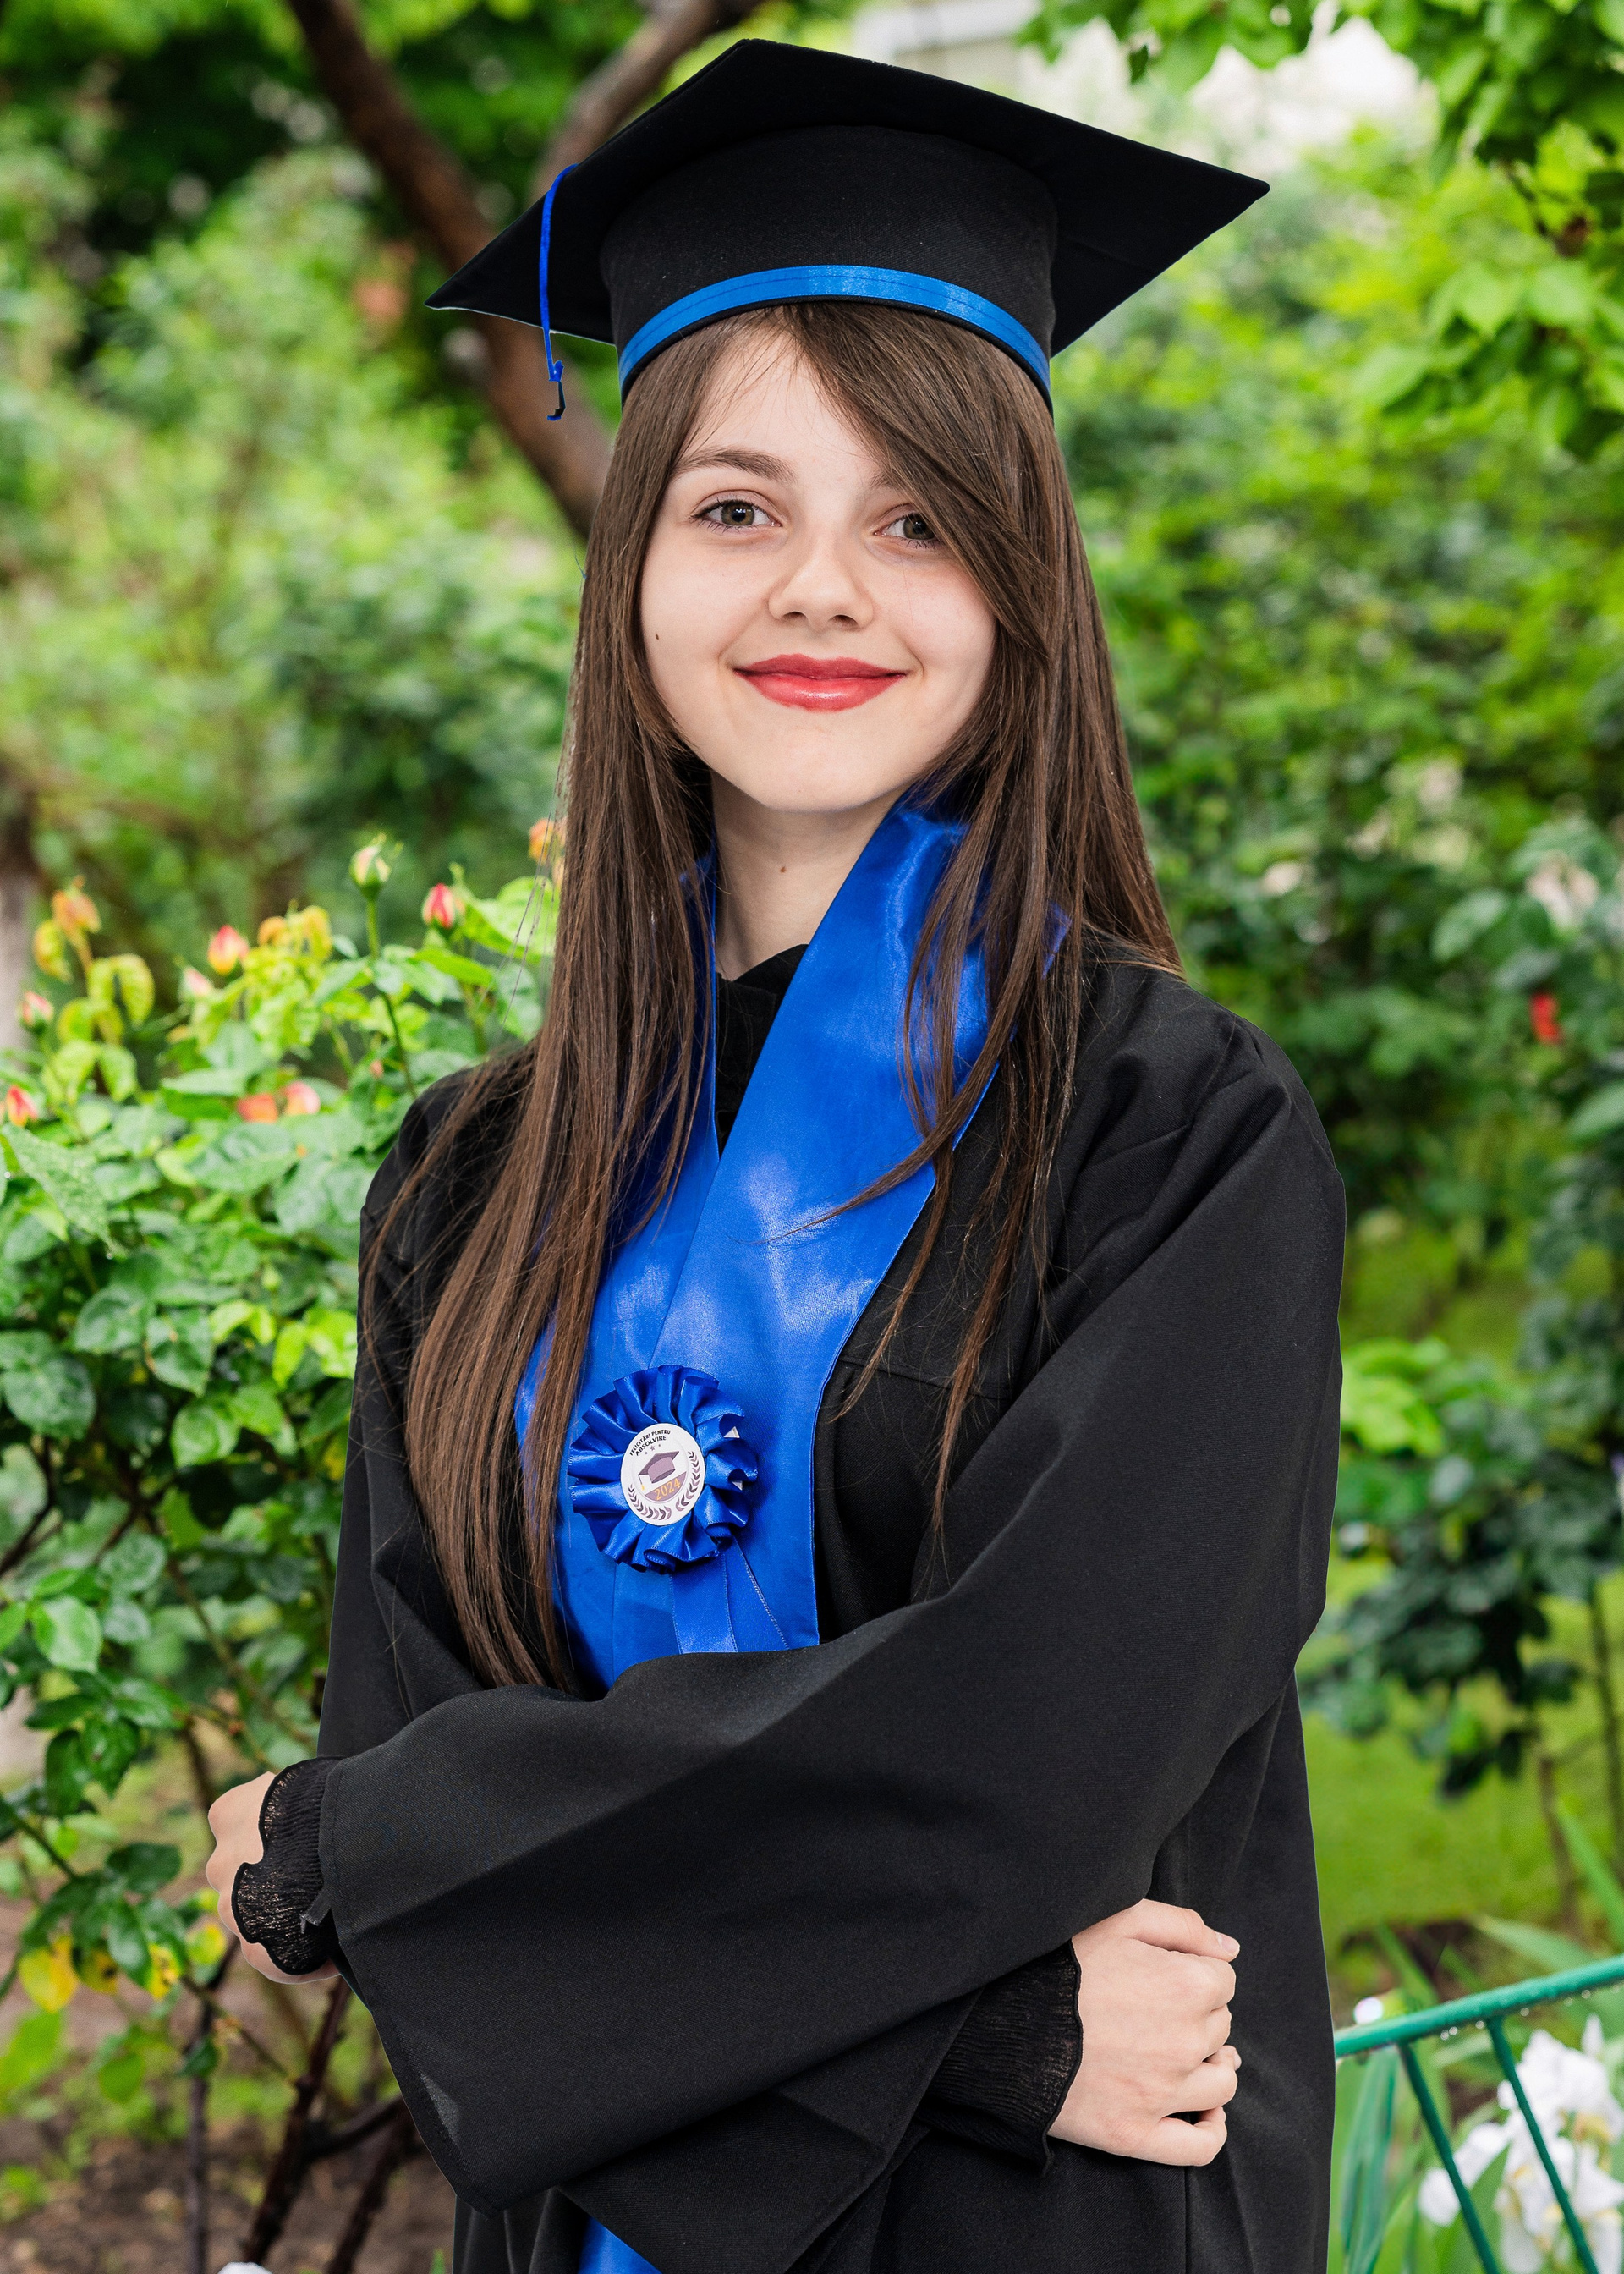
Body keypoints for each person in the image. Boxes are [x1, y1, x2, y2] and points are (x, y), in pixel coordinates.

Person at [204, 41, 1344, 2274]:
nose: (824, 587)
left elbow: (1029, 1744)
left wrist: (367, 1846)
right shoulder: (469, 1188)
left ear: (1019, 587)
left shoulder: (1173, 1136)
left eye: (917, 519)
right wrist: (994, 2033)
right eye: (737, 509)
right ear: (631, 569)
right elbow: (438, 1873)